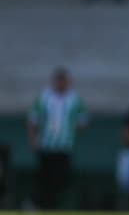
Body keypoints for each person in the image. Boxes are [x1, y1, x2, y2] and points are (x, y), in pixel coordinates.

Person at [27, 68, 88, 209]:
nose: (61, 84)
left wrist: (70, 130)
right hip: (46, 146)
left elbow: (83, 120)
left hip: (64, 147)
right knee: (44, 179)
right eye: (58, 80)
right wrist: (33, 139)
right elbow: (32, 120)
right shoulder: (44, 98)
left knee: (62, 179)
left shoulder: (75, 99)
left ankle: (50, 206)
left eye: (63, 81)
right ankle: (38, 205)